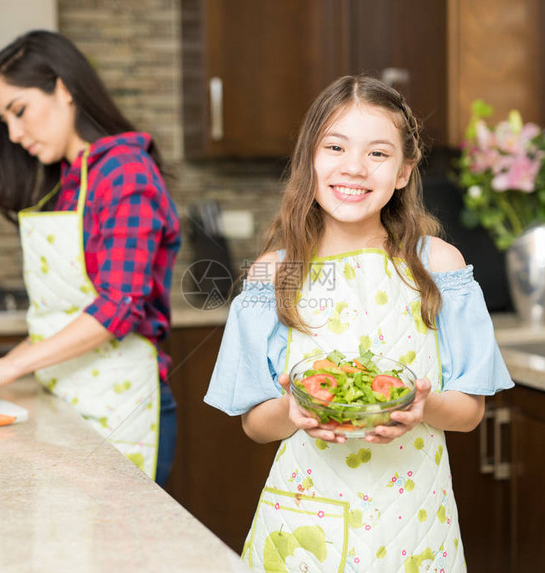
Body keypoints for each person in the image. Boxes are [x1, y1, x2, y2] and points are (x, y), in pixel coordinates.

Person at [204, 75, 514, 572]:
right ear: (311, 159)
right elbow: (255, 426)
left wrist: (422, 404)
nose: (354, 167)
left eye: (377, 153)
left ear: (403, 171)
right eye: (335, 146)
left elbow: (470, 411)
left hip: (415, 523)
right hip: (303, 522)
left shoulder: (441, 266)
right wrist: (293, 410)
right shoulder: (272, 275)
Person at [0, 31, 181, 487]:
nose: (13, 134)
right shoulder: (70, 182)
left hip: (122, 410)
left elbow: (119, 306)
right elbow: (64, 316)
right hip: (68, 399)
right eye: (4, 120)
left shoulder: (124, 172)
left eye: (19, 111)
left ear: (63, 88)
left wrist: (9, 367)